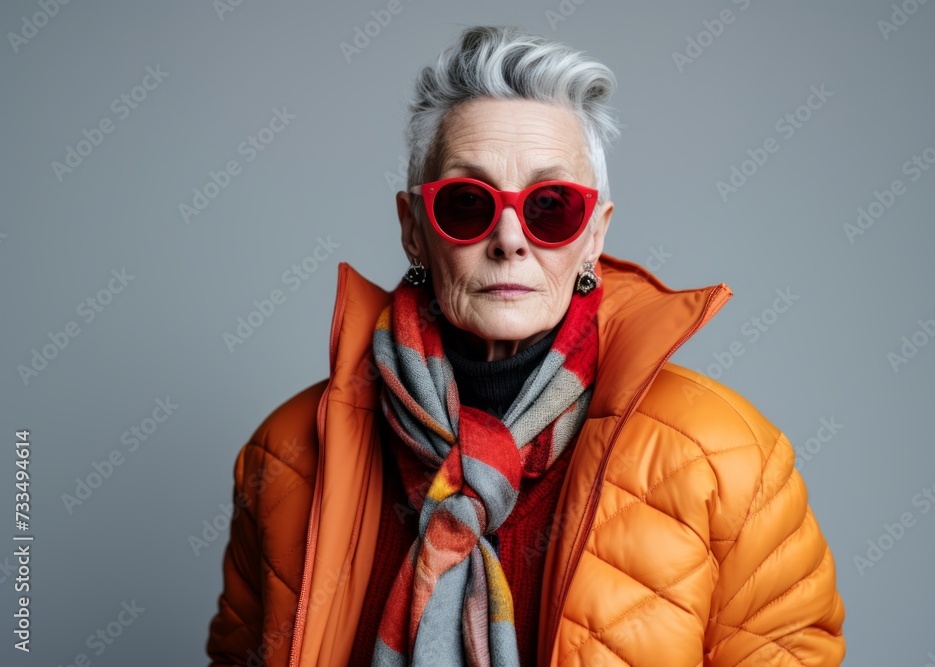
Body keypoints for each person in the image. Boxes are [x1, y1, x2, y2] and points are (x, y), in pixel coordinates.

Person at [206, 24, 846, 667]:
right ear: (412, 230)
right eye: (465, 203)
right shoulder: (287, 455)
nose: (510, 238)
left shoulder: (728, 457)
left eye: (550, 206)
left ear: (595, 235)